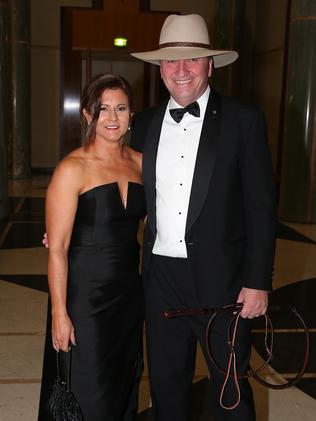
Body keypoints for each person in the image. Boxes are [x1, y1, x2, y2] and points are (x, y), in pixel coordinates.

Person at [130, 14, 276, 421]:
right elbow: (127, 196)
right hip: (161, 282)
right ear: (160, 68)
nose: (180, 70)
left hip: (225, 284)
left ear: (210, 64)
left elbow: (261, 208)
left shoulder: (243, 121)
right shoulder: (144, 125)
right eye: (170, 61)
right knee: (167, 390)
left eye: (191, 61)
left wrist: (258, 282)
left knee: (230, 394)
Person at [38, 73, 145, 421]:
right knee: (88, 392)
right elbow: (57, 248)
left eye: (121, 108)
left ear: (132, 114)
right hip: (85, 299)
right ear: (87, 114)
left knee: (124, 386)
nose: (112, 118)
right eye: (102, 109)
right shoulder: (72, 168)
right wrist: (59, 313)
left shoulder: (142, 164)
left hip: (128, 297)